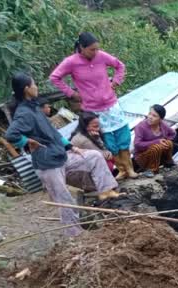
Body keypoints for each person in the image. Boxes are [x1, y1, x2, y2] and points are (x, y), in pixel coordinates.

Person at [5, 73, 121, 236]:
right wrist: (26, 142)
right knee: (65, 200)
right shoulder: (24, 112)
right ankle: (74, 235)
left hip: (60, 155)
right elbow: (11, 135)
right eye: (34, 84)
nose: (36, 87)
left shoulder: (35, 108)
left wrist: (71, 147)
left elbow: (53, 132)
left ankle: (107, 193)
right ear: (26, 89)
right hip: (47, 164)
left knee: (94, 156)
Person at [49, 32, 138, 179]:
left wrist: (115, 82)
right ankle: (121, 170)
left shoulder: (102, 56)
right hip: (92, 110)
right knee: (107, 140)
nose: (95, 52)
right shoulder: (71, 62)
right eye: (92, 50)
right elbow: (55, 77)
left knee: (123, 135)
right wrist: (72, 93)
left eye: (97, 49)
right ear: (82, 48)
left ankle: (130, 168)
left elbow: (119, 66)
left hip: (111, 104)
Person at [133, 104, 176, 176]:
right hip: (143, 156)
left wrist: (165, 141)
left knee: (169, 143)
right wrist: (157, 141)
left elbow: (173, 133)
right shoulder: (141, 127)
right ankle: (151, 170)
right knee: (157, 147)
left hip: (158, 156)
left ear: (160, 119)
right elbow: (137, 144)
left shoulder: (162, 124)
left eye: (154, 116)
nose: (150, 117)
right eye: (150, 114)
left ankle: (168, 163)